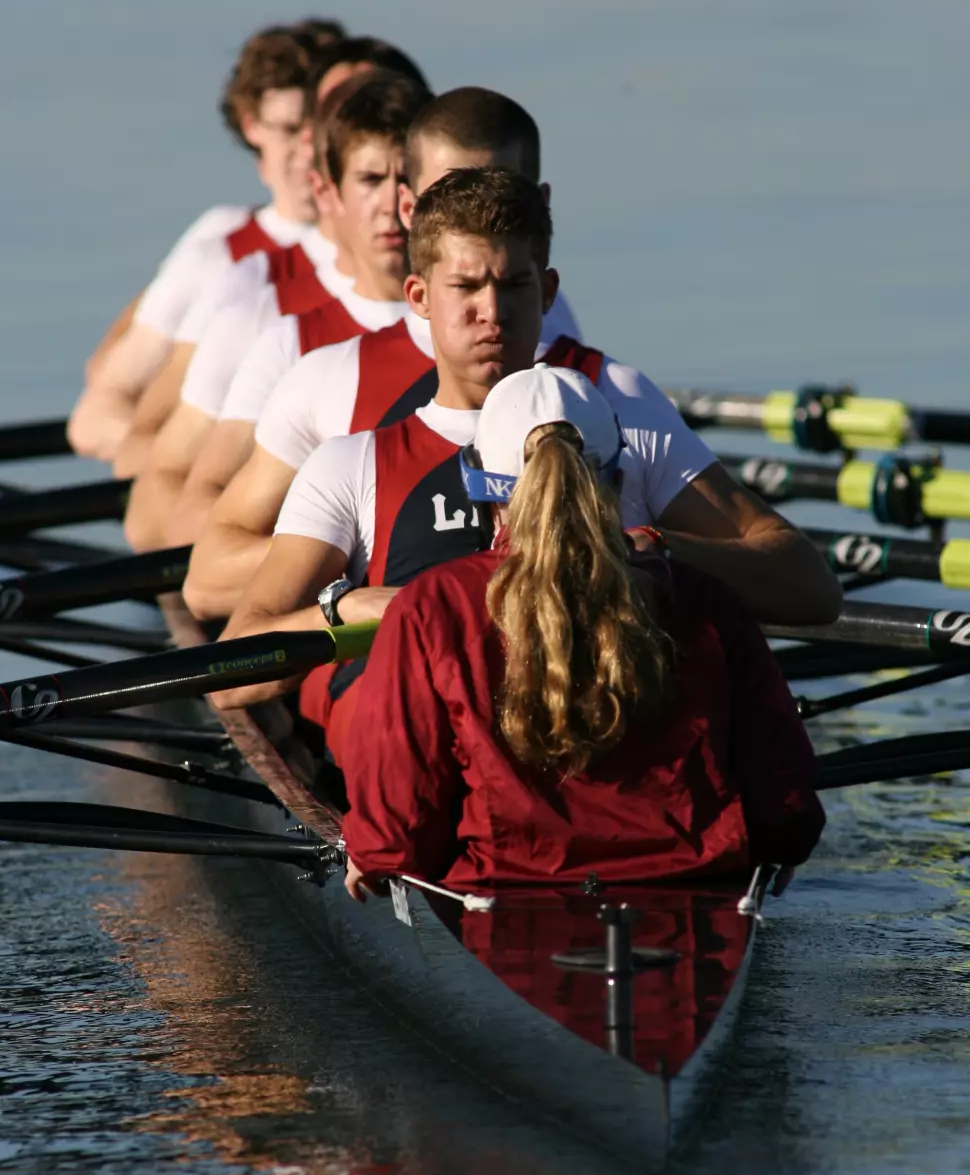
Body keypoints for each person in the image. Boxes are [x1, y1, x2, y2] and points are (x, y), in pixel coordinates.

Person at [211, 169, 841, 749]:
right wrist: (347, 607)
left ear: (546, 291)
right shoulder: (352, 467)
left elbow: (811, 588)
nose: (491, 311)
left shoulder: (627, 435)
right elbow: (231, 674)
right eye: (465, 287)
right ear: (419, 296)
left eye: (514, 285)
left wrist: (655, 553)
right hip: (443, 785)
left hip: (617, 767)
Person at [340, 367, 826, 892]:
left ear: (478, 488)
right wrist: (780, 844)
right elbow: (787, 810)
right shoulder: (705, 599)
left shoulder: (433, 606)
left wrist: (373, 856)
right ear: (617, 481)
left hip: (502, 895)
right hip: (691, 894)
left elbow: (395, 833)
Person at [180, 87, 581, 612]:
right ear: (413, 205)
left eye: (502, 192)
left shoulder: (590, 375)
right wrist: (351, 560)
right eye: (453, 194)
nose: (479, 214)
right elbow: (206, 583)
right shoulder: (322, 370)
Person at [122, 70, 431, 549]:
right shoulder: (275, 325)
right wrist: (326, 553)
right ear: (328, 193)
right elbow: (179, 510)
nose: (394, 204)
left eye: (409, 181)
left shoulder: (511, 308)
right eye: (371, 179)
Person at [69, 18, 344, 462]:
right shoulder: (225, 244)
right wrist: (191, 474)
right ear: (252, 127)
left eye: (320, 130)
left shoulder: (397, 243)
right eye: (291, 130)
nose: (310, 151)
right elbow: (97, 414)